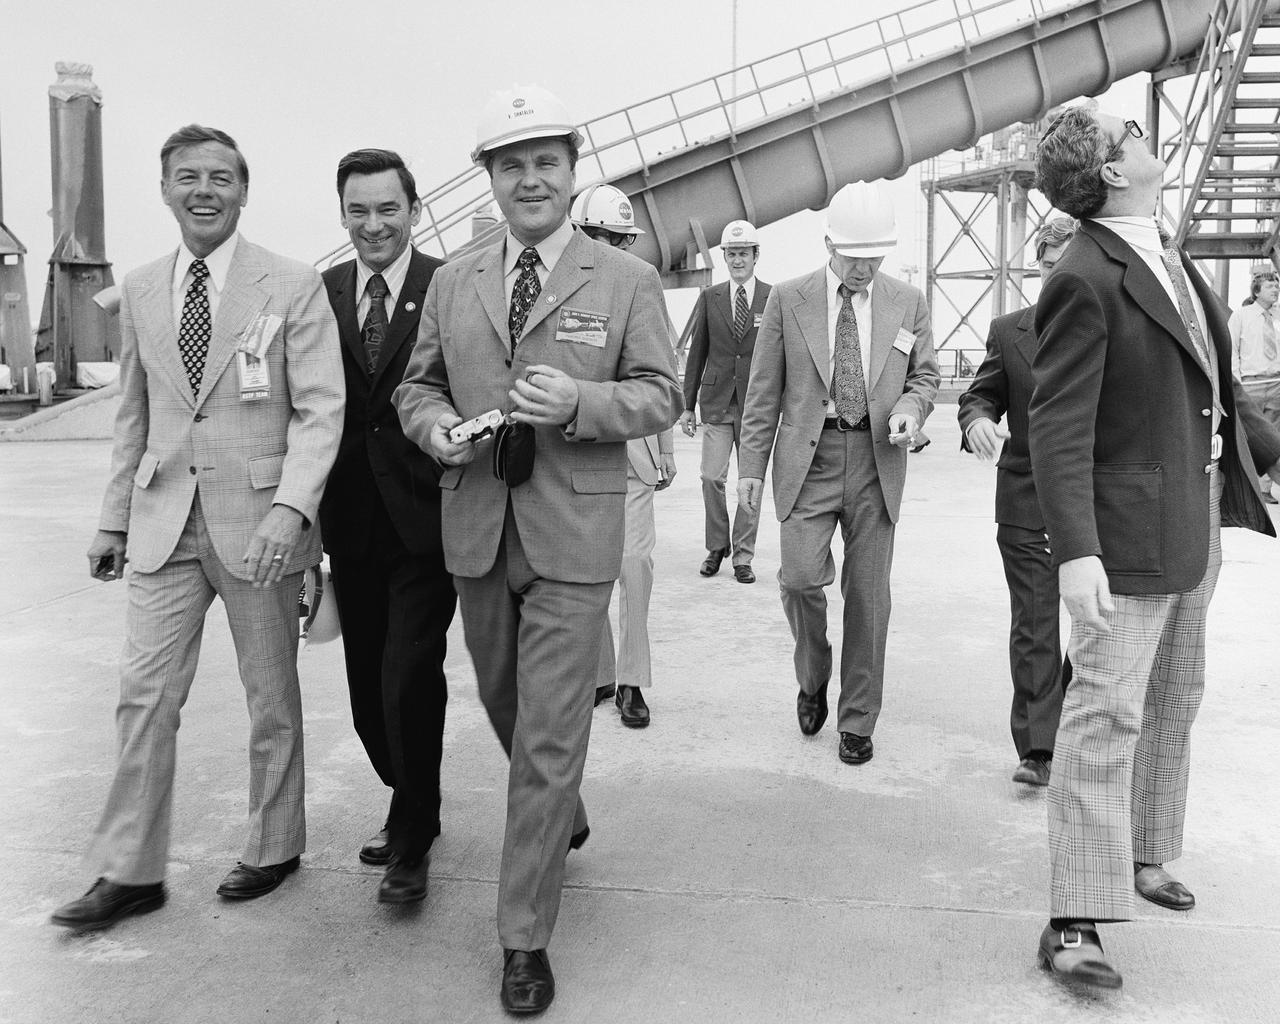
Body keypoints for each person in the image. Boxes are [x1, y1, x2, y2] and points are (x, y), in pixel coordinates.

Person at [393, 86, 682, 1015]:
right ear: (489, 177)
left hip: (573, 527)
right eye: (510, 165)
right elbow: (417, 386)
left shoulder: (625, 279)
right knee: (506, 701)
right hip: (477, 526)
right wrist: (433, 427)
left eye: (545, 162)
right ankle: (565, 813)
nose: (530, 179)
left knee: (551, 731)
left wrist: (585, 407)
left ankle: (523, 938)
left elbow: (660, 394)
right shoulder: (453, 279)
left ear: (572, 169)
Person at [51, 124, 344, 932]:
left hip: (261, 526)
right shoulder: (143, 289)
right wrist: (113, 519)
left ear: (243, 191)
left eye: (220, 176)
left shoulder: (290, 284)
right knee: (142, 697)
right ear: (166, 189)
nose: (204, 190)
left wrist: (292, 508)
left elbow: (323, 409)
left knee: (269, 697)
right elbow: (133, 416)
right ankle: (131, 870)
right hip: (161, 523)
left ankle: (274, 844)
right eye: (188, 176)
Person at [1029, 105, 1280, 990]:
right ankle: (1072, 919)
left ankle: (1145, 852)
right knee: (1103, 719)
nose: (1144, 136)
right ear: (1108, 173)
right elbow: (1057, 429)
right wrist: (1075, 552)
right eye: (1129, 132)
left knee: (1175, 698)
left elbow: (1222, 385)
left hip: (1193, 521)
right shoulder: (1083, 276)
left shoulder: (1165, 256)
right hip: (1126, 539)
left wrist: (1266, 463)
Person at [737, 181, 939, 767]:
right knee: (799, 580)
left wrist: (908, 410)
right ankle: (813, 674)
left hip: (878, 460)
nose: (864, 269)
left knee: (868, 597)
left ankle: (857, 719)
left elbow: (924, 379)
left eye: (875, 258)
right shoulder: (789, 299)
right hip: (810, 459)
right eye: (855, 257)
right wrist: (750, 466)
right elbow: (763, 391)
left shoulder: (908, 301)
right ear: (829, 243)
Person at [318, 149, 456, 903]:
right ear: (342, 215)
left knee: (408, 679)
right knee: (368, 694)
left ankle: (411, 834)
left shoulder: (449, 284)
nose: (373, 225)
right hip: (349, 522)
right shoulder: (324, 292)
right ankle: (410, 795)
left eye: (388, 209)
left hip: (427, 518)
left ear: (416, 208)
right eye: (358, 211)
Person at [958, 216, 1077, 787]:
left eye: (1069, 265)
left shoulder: (1109, 329)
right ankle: (1038, 749)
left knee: (1101, 626)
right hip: (1026, 498)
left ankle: (1072, 724)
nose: (1059, 277)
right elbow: (979, 396)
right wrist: (977, 422)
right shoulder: (1009, 332)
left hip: (1100, 502)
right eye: (1051, 266)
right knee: (1035, 623)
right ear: (1039, 268)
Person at [571, 184, 678, 729]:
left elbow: (661, 376)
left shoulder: (641, 288)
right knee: (586, 573)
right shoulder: (557, 291)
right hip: (574, 459)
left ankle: (633, 681)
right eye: (604, 238)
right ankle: (599, 674)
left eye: (621, 240)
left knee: (635, 570)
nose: (614, 248)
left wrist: (665, 446)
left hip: (632, 461)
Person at [679, 220, 771, 583]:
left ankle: (743, 557)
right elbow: (697, 352)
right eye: (731, 254)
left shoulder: (772, 296)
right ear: (725, 257)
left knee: (750, 483)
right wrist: (687, 405)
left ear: (755, 256)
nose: (737, 261)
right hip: (716, 402)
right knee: (709, 477)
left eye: (743, 254)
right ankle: (717, 546)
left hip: (755, 407)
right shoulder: (709, 297)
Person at [1228, 264, 1280, 502]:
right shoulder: (1241, 316)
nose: (1276, 289)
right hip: (1250, 385)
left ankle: (1265, 490)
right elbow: (1231, 348)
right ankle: (1246, 487)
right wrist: (1236, 380)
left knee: (1273, 437)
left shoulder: (1279, 317)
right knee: (1248, 436)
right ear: (1256, 291)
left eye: (1277, 285)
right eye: (1270, 285)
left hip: (1276, 383)